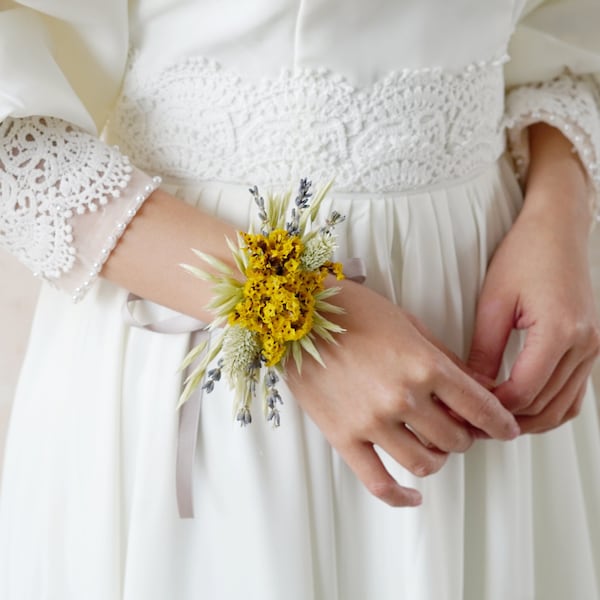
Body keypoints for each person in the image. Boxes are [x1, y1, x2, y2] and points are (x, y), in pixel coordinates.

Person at [1, 1, 599, 598]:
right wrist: (299, 320)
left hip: (491, 327)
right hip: (209, 325)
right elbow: (15, 142)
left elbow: (563, 37)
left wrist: (559, 215)